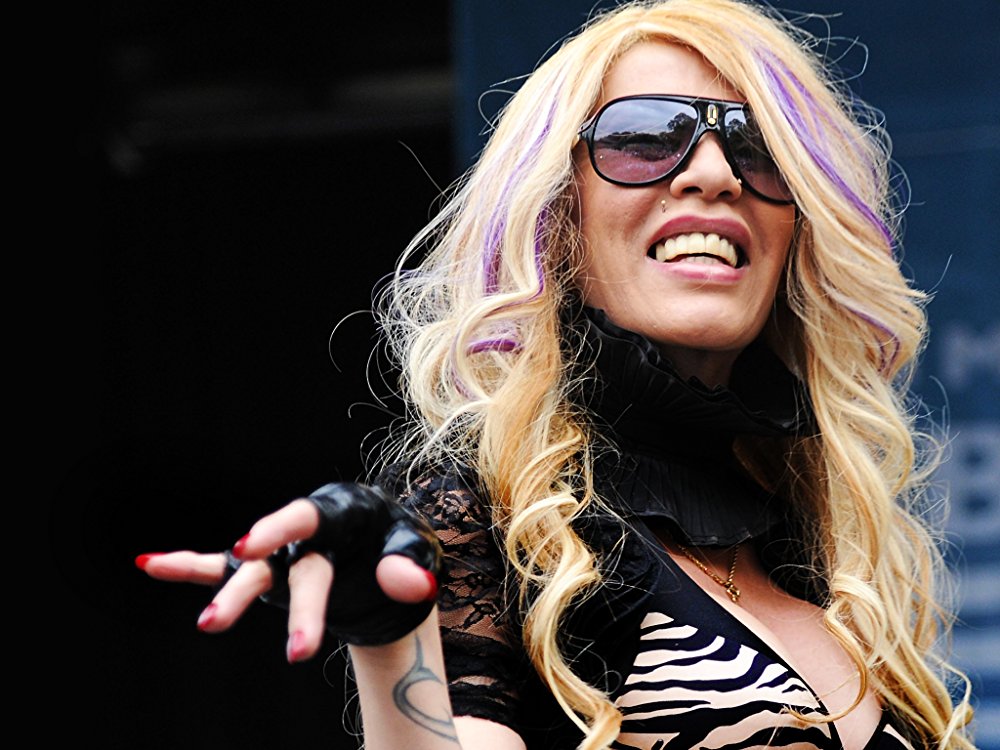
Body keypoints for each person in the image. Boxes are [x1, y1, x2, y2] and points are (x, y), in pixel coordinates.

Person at [137, 1, 975, 748]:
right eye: (644, 139)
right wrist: (392, 648)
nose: (716, 174)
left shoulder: (821, 557)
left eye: (759, 150)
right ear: (556, 216)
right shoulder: (494, 518)